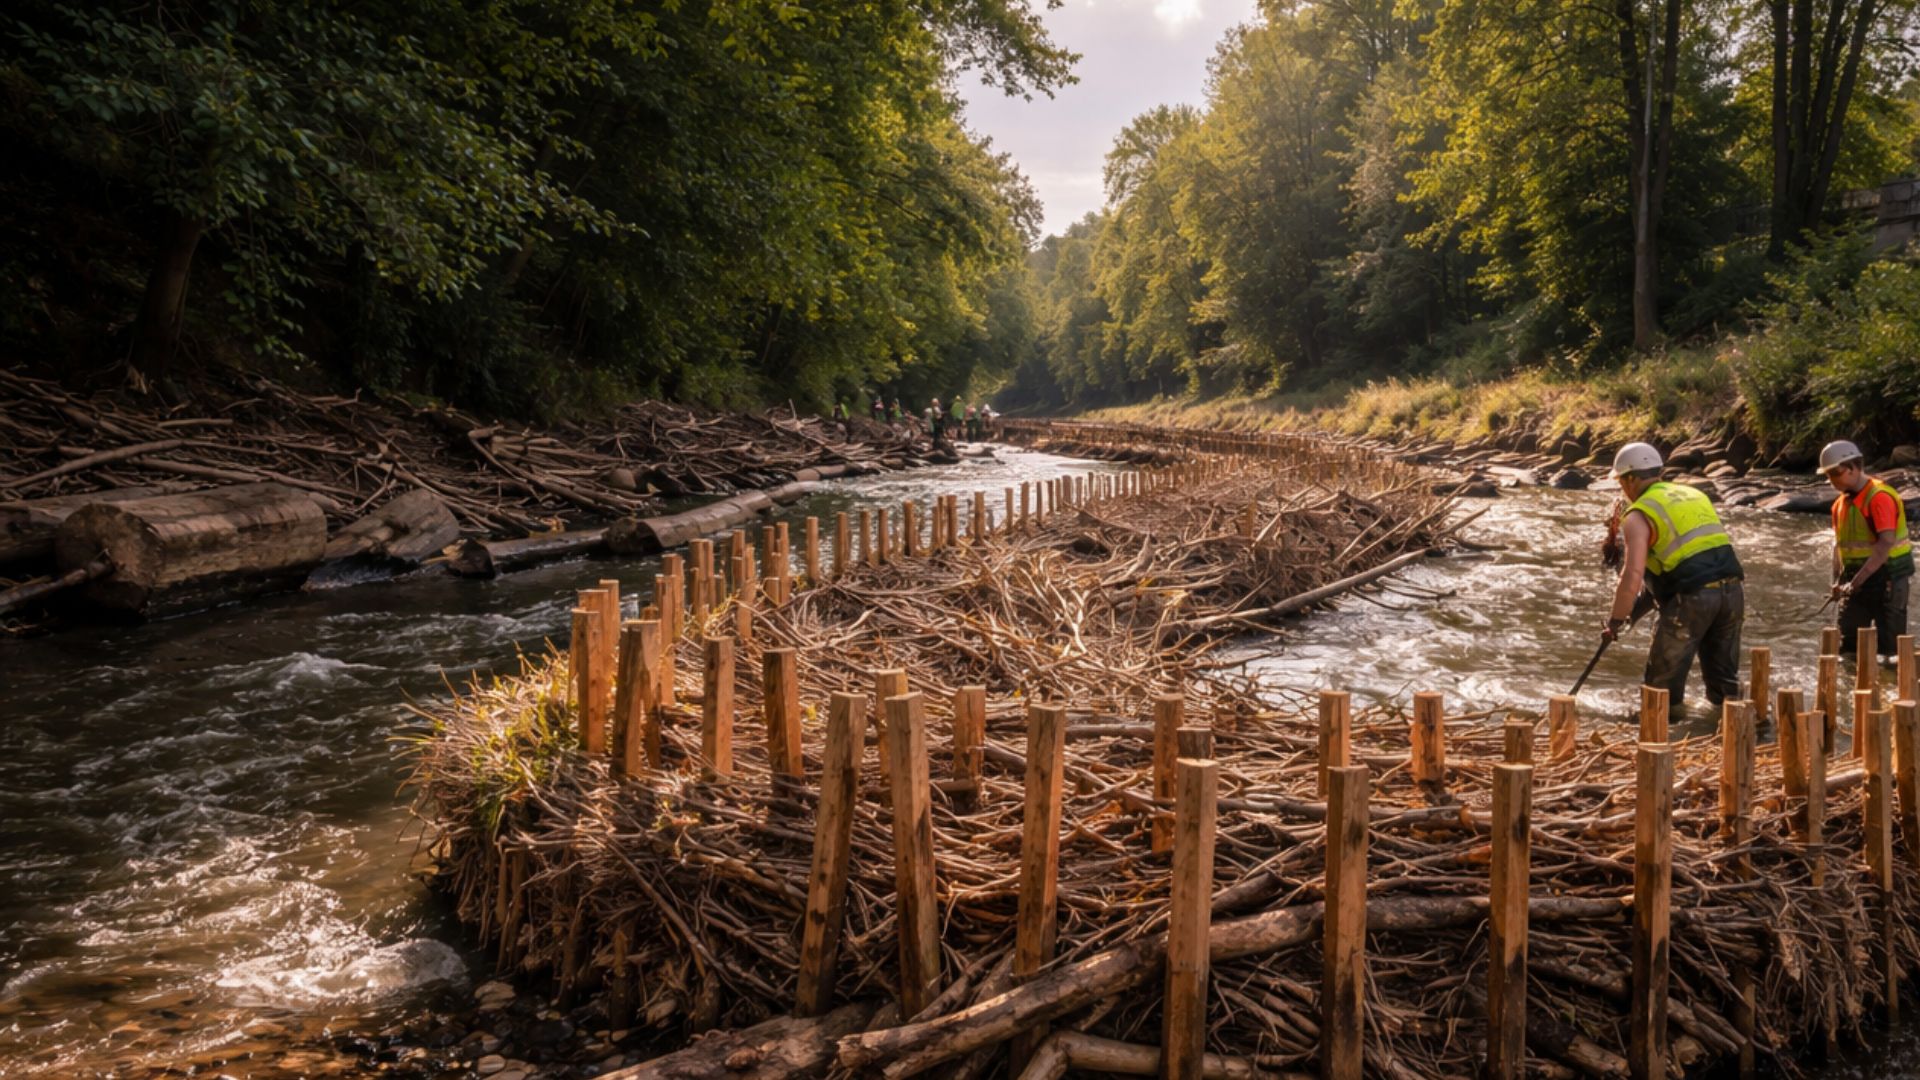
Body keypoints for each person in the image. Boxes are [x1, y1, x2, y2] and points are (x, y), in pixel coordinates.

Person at [1601, 442, 1746, 711]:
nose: (1622, 488)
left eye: (1621, 481)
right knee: (1724, 683)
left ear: (1631, 479)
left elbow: (1632, 575)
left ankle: (1662, 740)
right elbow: (1675, 570)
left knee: (1660, 690)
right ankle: (1735, 734)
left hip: (1692, 600)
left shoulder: (1639, 514)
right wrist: (1629, 617)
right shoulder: (1693, 495)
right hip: (1733, 593)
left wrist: (1614, 620)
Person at [1819, 439, 1912, 661]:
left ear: (1852, 468)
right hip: (1857, 583)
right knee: (1847, 646)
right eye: (1828, 475)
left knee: (1890, 651)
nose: (1830, 480)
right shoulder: (1839, 505)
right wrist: (1838, 582)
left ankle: (1892, 688)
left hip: (1888, 580)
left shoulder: (1879, 497)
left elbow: (1885, 544)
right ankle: (1849, 690)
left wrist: (1855, 582)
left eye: (1835, 473)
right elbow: (1839, 547)